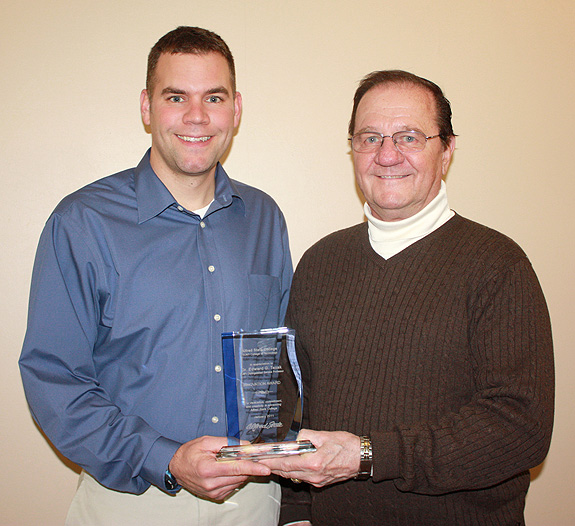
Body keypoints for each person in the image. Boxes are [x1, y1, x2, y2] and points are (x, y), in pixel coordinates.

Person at [19, 26, 292, 526]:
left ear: (236, 109)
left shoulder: (265, 218)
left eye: (214, 96)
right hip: (132, 501)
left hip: (251, 498)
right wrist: (164, 457)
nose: (197, 116)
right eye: (176, 96)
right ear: (147, 107)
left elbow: (280, 363)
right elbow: (53, 379)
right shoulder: (83, 222)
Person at [262, 70, 554, 526]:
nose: (387, 154)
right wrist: (298, 511)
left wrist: (370, 454)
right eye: (370, 137)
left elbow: (521, 428)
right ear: (353, 149)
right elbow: (297, 404)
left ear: (447, 150)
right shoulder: (320, 262)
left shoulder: (498, 264)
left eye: (409, 137)